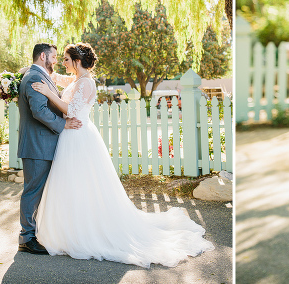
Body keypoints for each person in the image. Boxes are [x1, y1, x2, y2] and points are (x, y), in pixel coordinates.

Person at [30, 42, 214, 268]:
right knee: (72, 183)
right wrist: (28, 71)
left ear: (77, 62)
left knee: (81, 181)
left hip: (78, 136)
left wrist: (48, 93)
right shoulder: (77, 79)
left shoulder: (86, 83)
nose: (63, 63)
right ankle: (72, 226)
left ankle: (86, 230)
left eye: (66, 59)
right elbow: (58, 78)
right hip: (70, 136)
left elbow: (72, 111)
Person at [17, 43, 82, 254]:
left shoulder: (38, 75)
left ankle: (33, 233)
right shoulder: (35, 77)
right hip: (37, 146)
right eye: (54, 57)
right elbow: (40, 111)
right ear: (43, 56)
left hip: (42, 144)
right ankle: (27, 237)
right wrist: (63, 124)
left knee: (37, 191)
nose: (56, 61)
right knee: (32, 192)